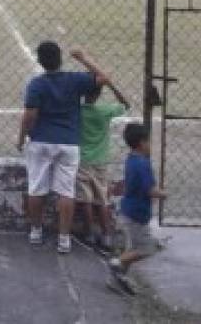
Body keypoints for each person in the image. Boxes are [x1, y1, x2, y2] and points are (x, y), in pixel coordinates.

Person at [17, 42, 108, 254]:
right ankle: (64, 238)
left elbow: (29, 116)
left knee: (36, 188)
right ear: (61, 58)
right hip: (68, 142)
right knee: (66, 192)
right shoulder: (75, 80)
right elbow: (104, 78)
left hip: (40, 141)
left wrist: (22, 138)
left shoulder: (36, 85)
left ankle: (36, 231)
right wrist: (84, 58)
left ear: (40, 61)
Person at [74, 52, 130, 253]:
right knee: (102, 200)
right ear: (98, 95)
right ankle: (107, 235)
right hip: (101, 160)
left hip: (82, 160)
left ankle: (90, 232)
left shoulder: (76, 110)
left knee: (86, 199)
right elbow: (125, 104)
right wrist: (110, 85)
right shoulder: (104, 111)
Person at [107, 122, 167, 296]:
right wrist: (163, 194)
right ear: (142, 143)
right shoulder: (143, 164)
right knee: (146, 248)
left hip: (130, 211)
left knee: (133, 248)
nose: (150, 145)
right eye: (148, 141)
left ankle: (116, 279)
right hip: (136, 214)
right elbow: (150, 190)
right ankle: (116, 263)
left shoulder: (131, 159)